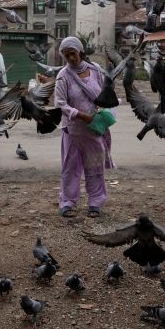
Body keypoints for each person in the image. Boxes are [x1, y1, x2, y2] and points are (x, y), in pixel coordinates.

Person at [54, 36, 115, 218]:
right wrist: (81, 115)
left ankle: (95, 202)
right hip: (73, 131)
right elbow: (60, 103)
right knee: (70, 169)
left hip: (95, 130)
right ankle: (67, 202)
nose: (71, 58)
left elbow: (106, 94)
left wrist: (103, 112)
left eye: (73, 54)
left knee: (95, 167)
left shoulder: (95, 71)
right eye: (66, 56)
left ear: (80, 51)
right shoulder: (63, 76)